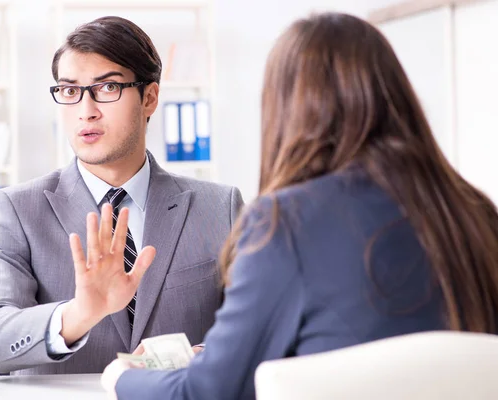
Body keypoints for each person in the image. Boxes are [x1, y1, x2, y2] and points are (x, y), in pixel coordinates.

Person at [101, 11, 498, 400]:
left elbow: (209, 391)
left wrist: (121, 377)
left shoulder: (285, 222)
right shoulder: (474, 211)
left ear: (286, 109)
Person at [0, 16, 243, 375]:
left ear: (150, 98)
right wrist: (78, 314)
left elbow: (263, 327)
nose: (86, 111)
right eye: (70, 91)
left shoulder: (219, 207)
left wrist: (202, 355)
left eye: (107, 88)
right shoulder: (15, 210)